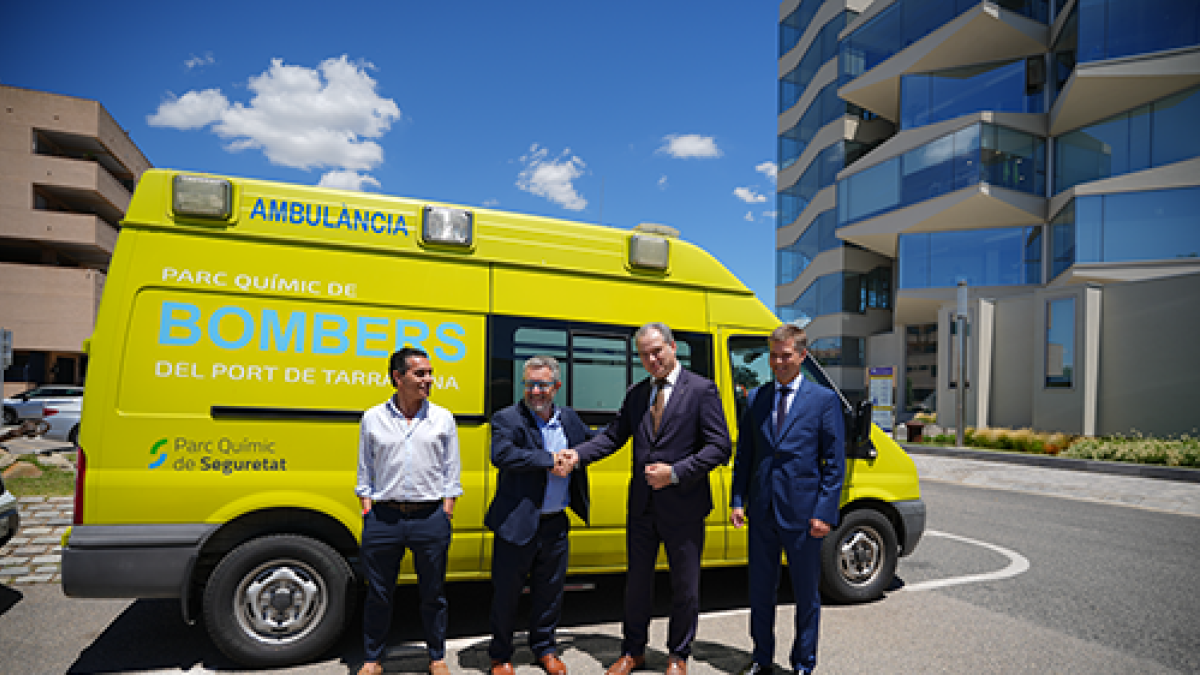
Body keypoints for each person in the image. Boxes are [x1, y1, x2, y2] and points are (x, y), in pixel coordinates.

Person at [562, 322, 732, 675]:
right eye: (644, 354)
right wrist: (578, 455)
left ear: (672, 347)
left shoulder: (702, 390)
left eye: (657, 351)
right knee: (636, 585)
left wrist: (675, 472)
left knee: (684, 587)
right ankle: (632, 651)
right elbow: (612, 436)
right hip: (642, 507)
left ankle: (678, 656)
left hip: (684, 506)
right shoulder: (638, 393)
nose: (652, 359)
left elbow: (720, 447)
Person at [730, 324, 844, 675]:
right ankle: (762, 658)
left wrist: (824, 512)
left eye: (786, 355)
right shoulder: (756, 399)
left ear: (802, 356)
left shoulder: (823, 401)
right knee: (760, 594)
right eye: (773, 356)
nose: (778, 362)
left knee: (807, 596)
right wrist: (737, 500)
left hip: (805, 516)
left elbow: (834, 464)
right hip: (762, 512)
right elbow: (745, 455)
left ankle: (803, 663)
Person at [356, 347, 462, 675]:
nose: (429, 380)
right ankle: (372, 659)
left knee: (433, 594)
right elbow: (365, 469)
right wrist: (367, 508)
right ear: (397, 378)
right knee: (379, 594)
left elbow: (451, 470)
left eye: (430, 373)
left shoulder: (442, 418)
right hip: (384, 518)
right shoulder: (373, 417)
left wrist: (446, 510)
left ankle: (436, 657)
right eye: (421, 374)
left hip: (430, 518)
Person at [485, 356, 593, 675]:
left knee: (550, 593)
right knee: (506, 593)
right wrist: (549, 459)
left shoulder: (569, 419)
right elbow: (502, 454)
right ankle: (500, 655)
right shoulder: (508, 418)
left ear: (555, 387)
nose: (535, 391)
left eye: (542, 385)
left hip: (555, 523)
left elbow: (593, 441)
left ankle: (545, 648)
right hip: (517, 522)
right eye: (529, 384)